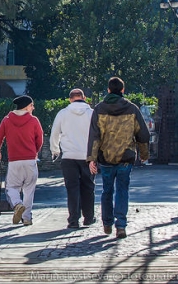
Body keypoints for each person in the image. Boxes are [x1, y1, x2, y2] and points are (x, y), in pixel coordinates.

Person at [87, 77, 150, 239]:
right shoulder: (132, 108)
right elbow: (142, 133)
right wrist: (144, 154)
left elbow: (94, 136)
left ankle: (107, 222)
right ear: (122, 90)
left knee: (107, 190)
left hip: (105, 157)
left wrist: (91, 159)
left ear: (108, 90)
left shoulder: (99, 109)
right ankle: (120, 225)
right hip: (125, 156)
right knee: (122, 190)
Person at [0, 95, 44, 226]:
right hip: (30, 160)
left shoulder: (7, 120)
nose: (33, 108)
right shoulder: (34, 121)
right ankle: (26, 218)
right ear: (26, 107)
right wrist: (35, 151)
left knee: (11, 187)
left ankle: (17, 204)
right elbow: (40, 139)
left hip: (14, 160)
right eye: (32, 105)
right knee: (29, 190)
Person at [50, 88, 96, 229]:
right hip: (87, 156)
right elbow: (98, 135)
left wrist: (55, 150)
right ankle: (88, 217)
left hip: (69, 156)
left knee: (72, 189)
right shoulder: (92, 114)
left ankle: (73, 220)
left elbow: (55, 133)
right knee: (88, 187)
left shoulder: (62, 114)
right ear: (84, 98)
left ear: (70, 99)